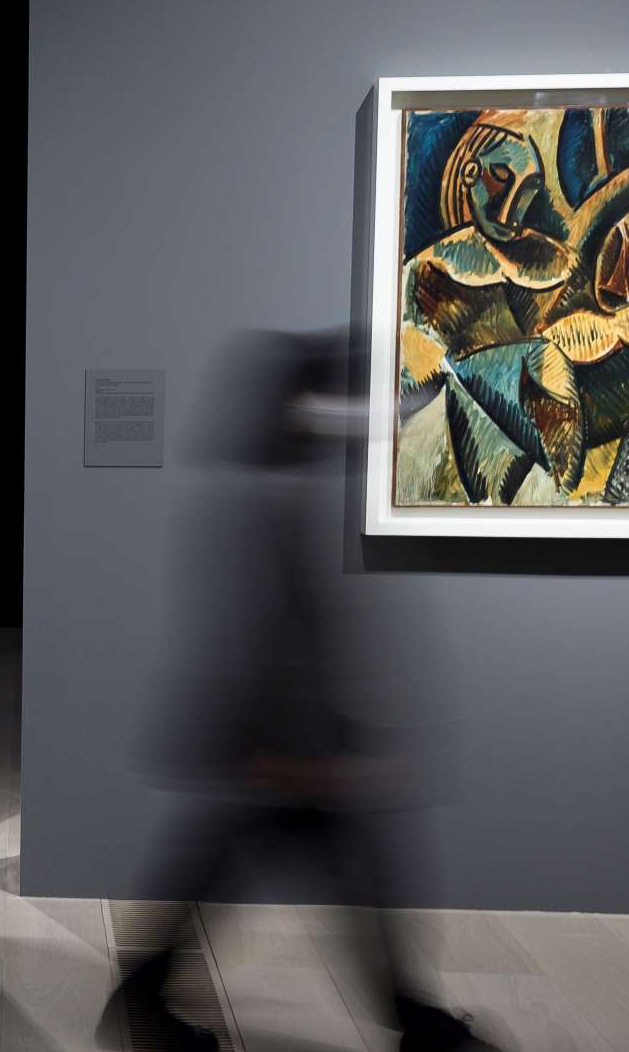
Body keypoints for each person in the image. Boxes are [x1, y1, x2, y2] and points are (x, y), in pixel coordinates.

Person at [108, 328, 498, 1052]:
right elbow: (265, 633)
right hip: (281, 740)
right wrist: (289, 751)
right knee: (296, 865)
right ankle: (412, 1020)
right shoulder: (273, 501)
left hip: (290, 736)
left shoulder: (276, 492)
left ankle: (146, 997)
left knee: (252, 863)